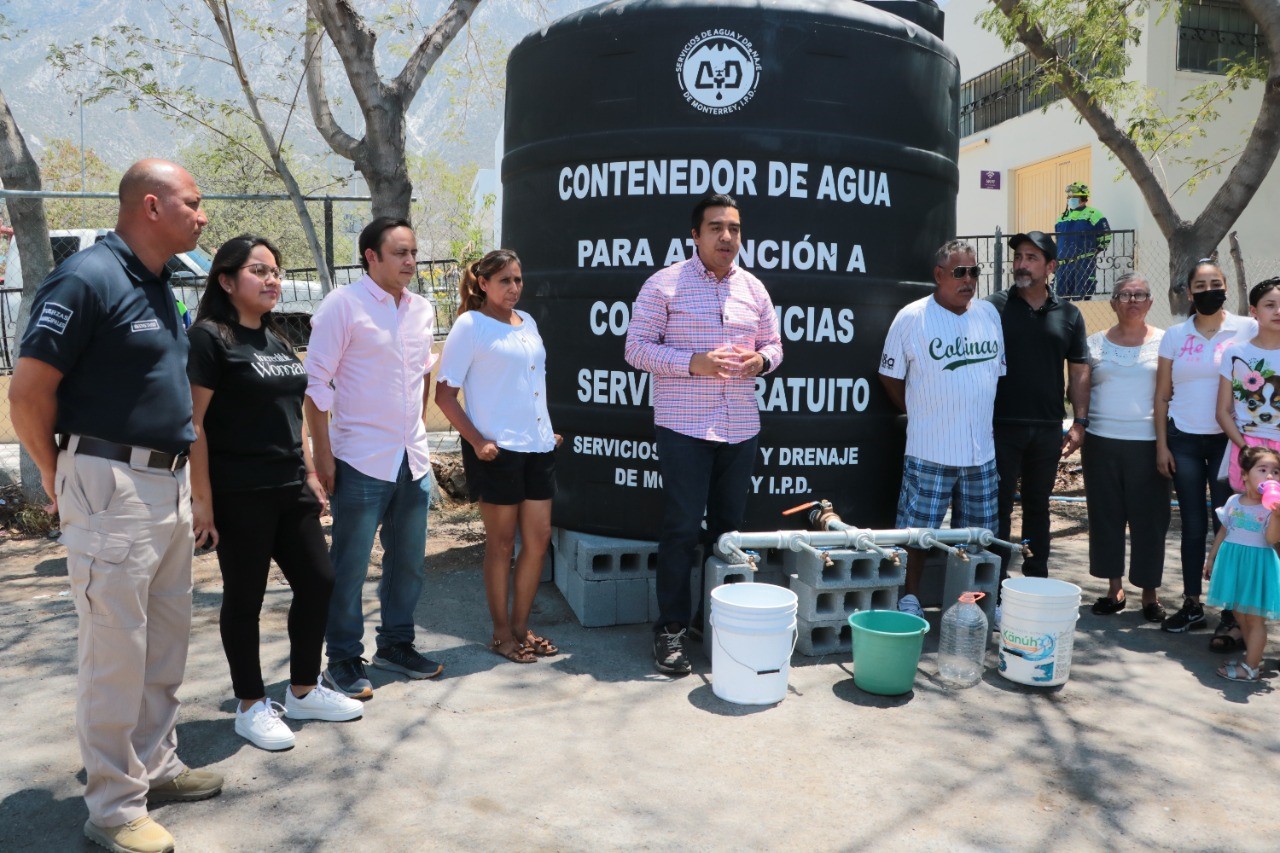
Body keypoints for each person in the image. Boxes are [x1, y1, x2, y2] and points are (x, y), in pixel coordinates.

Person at [8, 160, 222, 853]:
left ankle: (153, 765)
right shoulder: (89, 277)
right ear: (152, 206)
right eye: (192, 203)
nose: (203, 214)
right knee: (115, 650)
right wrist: (56, 471)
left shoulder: (159, 284)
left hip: (164, 483)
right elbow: (28, 393)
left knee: (164, 643)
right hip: (108, 481)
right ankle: (111, 806)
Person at [188, 235, 363, 751]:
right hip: (239, 492)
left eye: (276, 271)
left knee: (319, 581)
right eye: (258, 271)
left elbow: (294, 415)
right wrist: (202, 503)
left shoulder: (277, 339)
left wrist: (309, 472)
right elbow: (193, 425)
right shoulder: (208, 339)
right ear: (225, 280)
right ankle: (249, 704)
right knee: (245, 598)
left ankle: (305, 689)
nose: (272, 280)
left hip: (290, 485)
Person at [624, 193, 783, 674]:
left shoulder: (754, 289)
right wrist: (691, 363)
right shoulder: (664, 284)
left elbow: (775, 344)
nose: (727, 237)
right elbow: (635, 349)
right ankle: (670, 631)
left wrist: (763, 361)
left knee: (729, 535)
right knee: (680, 530)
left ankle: (715, 622)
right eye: (716, 228)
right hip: (685, 428)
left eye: (734, 228)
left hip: (741, 428)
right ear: (694, 235)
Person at [304, 217, 443, 698]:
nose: (410, 262)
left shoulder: (421, 309)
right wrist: (323, 456)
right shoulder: (343, 306)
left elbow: (425, 370)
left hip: (412, 459)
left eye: (414, 254)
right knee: (350, 565)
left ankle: (396, 646)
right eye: (400, 253)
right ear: (371, 256)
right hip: (360, 458)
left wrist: (418, 428)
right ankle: (342, 659)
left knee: (408, 564)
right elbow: (315, 384)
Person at [435, 249, 561, 664]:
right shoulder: (470, 325)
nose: (513, 287)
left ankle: (523, 627)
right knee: (502, 544)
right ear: (483, 283)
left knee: (539, 540)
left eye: (518, 280)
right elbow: (445, 395)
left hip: (538, 448)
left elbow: (529, 385)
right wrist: (476, 441)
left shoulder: (531, 324)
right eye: (504, 280)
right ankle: (502, 633)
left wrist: (545, 428)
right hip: (497, 452)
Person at [878, 240, 1005, 618]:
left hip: (981, 450)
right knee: (917, 534)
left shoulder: (989, 315)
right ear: (939, 275)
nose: (968, 280)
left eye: (974, 272)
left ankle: (972, 605)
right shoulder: (911, 317)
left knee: (979, 537)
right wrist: (921, 412)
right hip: (930, 448)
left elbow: (994, 374)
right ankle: (910, 598)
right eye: (959, 272)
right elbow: (889, 375)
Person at [1155, 260, 1255, 634]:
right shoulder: (1175, 335)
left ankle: (1230, 610)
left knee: (1227, 523)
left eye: (1216, 283)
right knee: (1193, 523)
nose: (1208, 290)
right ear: (1189, 293)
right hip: (1184, 440)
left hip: (1232, 442)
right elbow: (1162, 395)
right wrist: (1162, 445)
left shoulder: (1246, 328)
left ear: (1226, 287)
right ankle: (1193, 603)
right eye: (1201, 285)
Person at [986, 231, 1090, 589]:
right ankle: (994, 583)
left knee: (1037, 506)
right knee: (997, 509)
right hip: (999, 426)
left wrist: (1079, 422)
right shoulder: (992, 308)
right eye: (1018, 257)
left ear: (1050, 267)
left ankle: (1034, 580)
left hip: (1047, 428)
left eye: (1031, 257)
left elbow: (1078, 371)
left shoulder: (1070, 314)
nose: (1021, 264)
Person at [1081, 273, 1169, 620]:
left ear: (1150, 302)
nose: (1132, 300)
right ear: (1113, 302)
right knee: (1106, 516)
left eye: (1140, 295)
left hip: (1149, 444)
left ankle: (1149, 594)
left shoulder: (1166, 342)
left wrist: (1166, 444)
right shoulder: (1093, 343)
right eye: (1124, 295)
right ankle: (1114, 588)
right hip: (1101, 442)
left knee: (1150, 520)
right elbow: (1081, 391)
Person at [1202, 445, 1280, 683]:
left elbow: (1271, 540)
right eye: (1263, 469)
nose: (1270, 476)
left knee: (1254, 618)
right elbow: (1224, 530)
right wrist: (1211, 557)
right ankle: (1251, 658)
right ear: (1245, 475)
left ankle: (1252, 667)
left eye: (1276, 472)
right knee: (1239, 613)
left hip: (1257, 566)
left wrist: (1276, 515)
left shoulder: (1271, 509)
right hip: (1234, 564)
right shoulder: (1234, 501)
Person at [1054, 181, 1111, 300]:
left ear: (1083, 198)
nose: (1070, 199)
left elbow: (1106, 236)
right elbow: (1058, 239)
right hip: (1063, 265)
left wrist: (1095, 251)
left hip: (1083, 264)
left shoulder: (1094, 214)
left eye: (1073, 197)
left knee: (1081, 300)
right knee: (1059, 301)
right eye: (1069, 197)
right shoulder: (1062, 217)